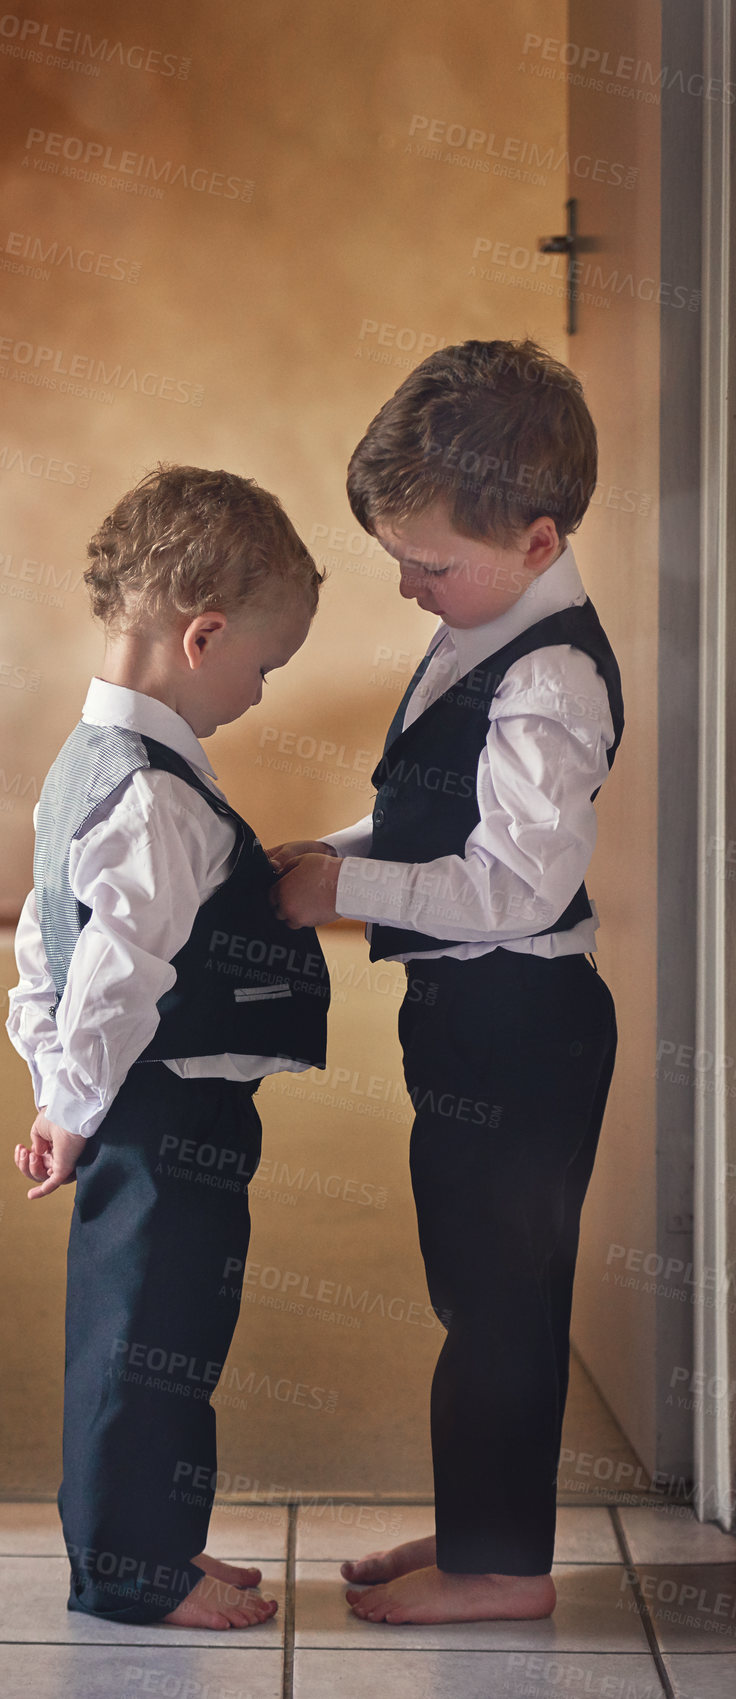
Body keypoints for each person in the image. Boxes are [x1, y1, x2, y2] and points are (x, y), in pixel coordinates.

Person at [272, 339, 623, 1625]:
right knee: (471, 1283)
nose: (412, 588)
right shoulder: (491, 624)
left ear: (536, 543)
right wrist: (337, 851)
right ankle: (483, 1520)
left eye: (431, 564)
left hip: (523, 1027)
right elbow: (447, 829)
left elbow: (516, 890)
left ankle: (504, 1569)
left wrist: (342, 893)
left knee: (502, 1295)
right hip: (472, 1017)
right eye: (399, 561)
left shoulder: (550, 677)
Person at [7, 464, 331, 1629]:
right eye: (263, 664)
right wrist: (80, 1105)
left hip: (129, 1112)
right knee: (158, 1342)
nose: (259, 689)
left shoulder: (85, 765)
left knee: (143, 1334)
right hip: (171, 1121)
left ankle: (148, 1546)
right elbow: (115, 979)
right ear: (203, 637)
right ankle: (136, 1573)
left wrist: (56, 1095)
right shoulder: (160, 801)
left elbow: (45, 946)